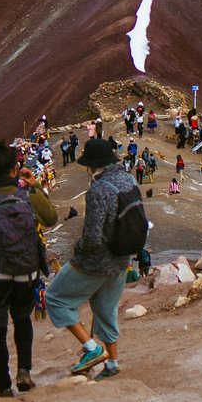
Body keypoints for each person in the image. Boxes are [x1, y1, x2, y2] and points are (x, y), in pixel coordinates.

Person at [0, 140, 58, 396]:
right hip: (26, 272)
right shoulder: (27, 195)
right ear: (15, 169)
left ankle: (3, 387)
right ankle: (24, 371)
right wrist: (34, 185)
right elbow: (51, 218)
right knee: (22, 321)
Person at [44, 137, 140, 381]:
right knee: (106, 311)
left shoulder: (98, 189)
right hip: (121, 258)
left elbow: (93, 235)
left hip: (95, 262)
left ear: (93, 164)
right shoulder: (128, 179)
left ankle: (92, 349)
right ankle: (112, 363)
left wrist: (78, 253)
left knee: (55, 297)